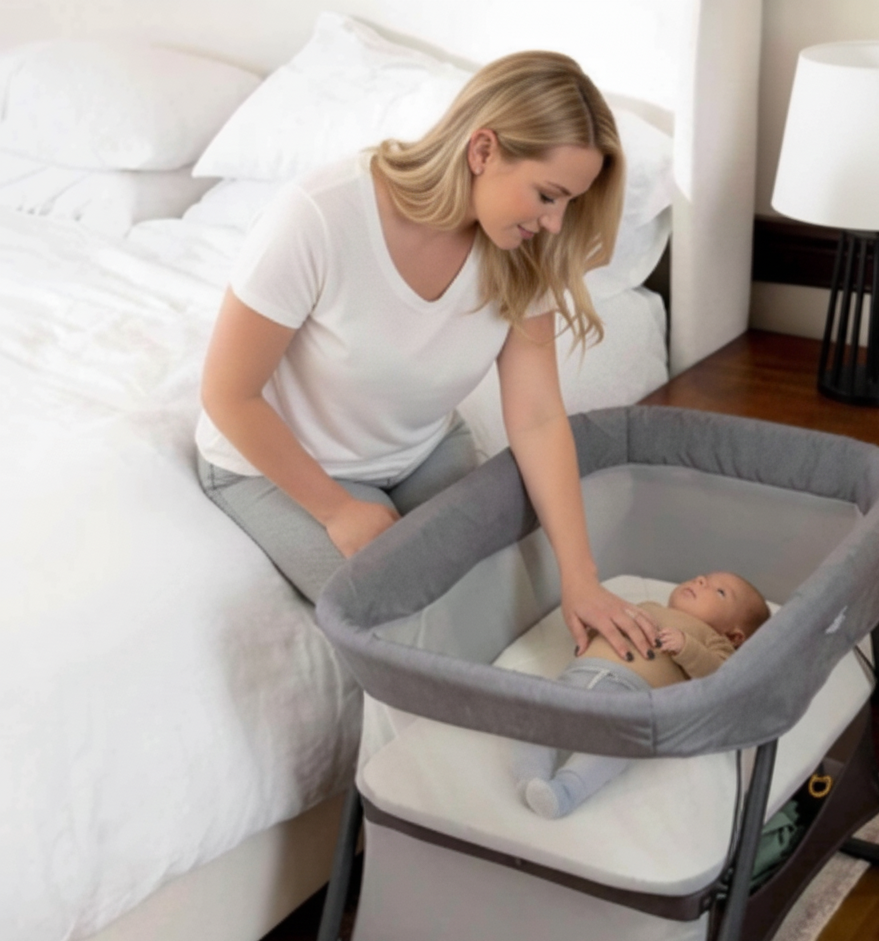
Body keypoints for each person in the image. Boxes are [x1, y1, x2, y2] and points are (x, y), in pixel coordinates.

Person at [195, 50, 658, 660]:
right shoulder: (322, 215)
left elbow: (538, 416)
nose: (555, 223)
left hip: (420, 451)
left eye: (569, 202)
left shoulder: (524, 249)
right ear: (483, 150)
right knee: (413, 638)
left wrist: (581, 576)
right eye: (548, 195)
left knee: (519, 595)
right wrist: (338, 511)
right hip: (283, 467)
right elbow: (228, 394)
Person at [513, 571, 771, 819]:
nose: (701, 580)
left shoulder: (715, 641)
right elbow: (610, 620)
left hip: (630, 697)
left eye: (720, 591)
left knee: (616, 746)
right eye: (704, 578)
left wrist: (687, 647)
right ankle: (531, 777)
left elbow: (719, 679)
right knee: (539, 719)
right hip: (576, 676)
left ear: (734, 635)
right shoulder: (648, 607)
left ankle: (564, 792)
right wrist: (592, 627)